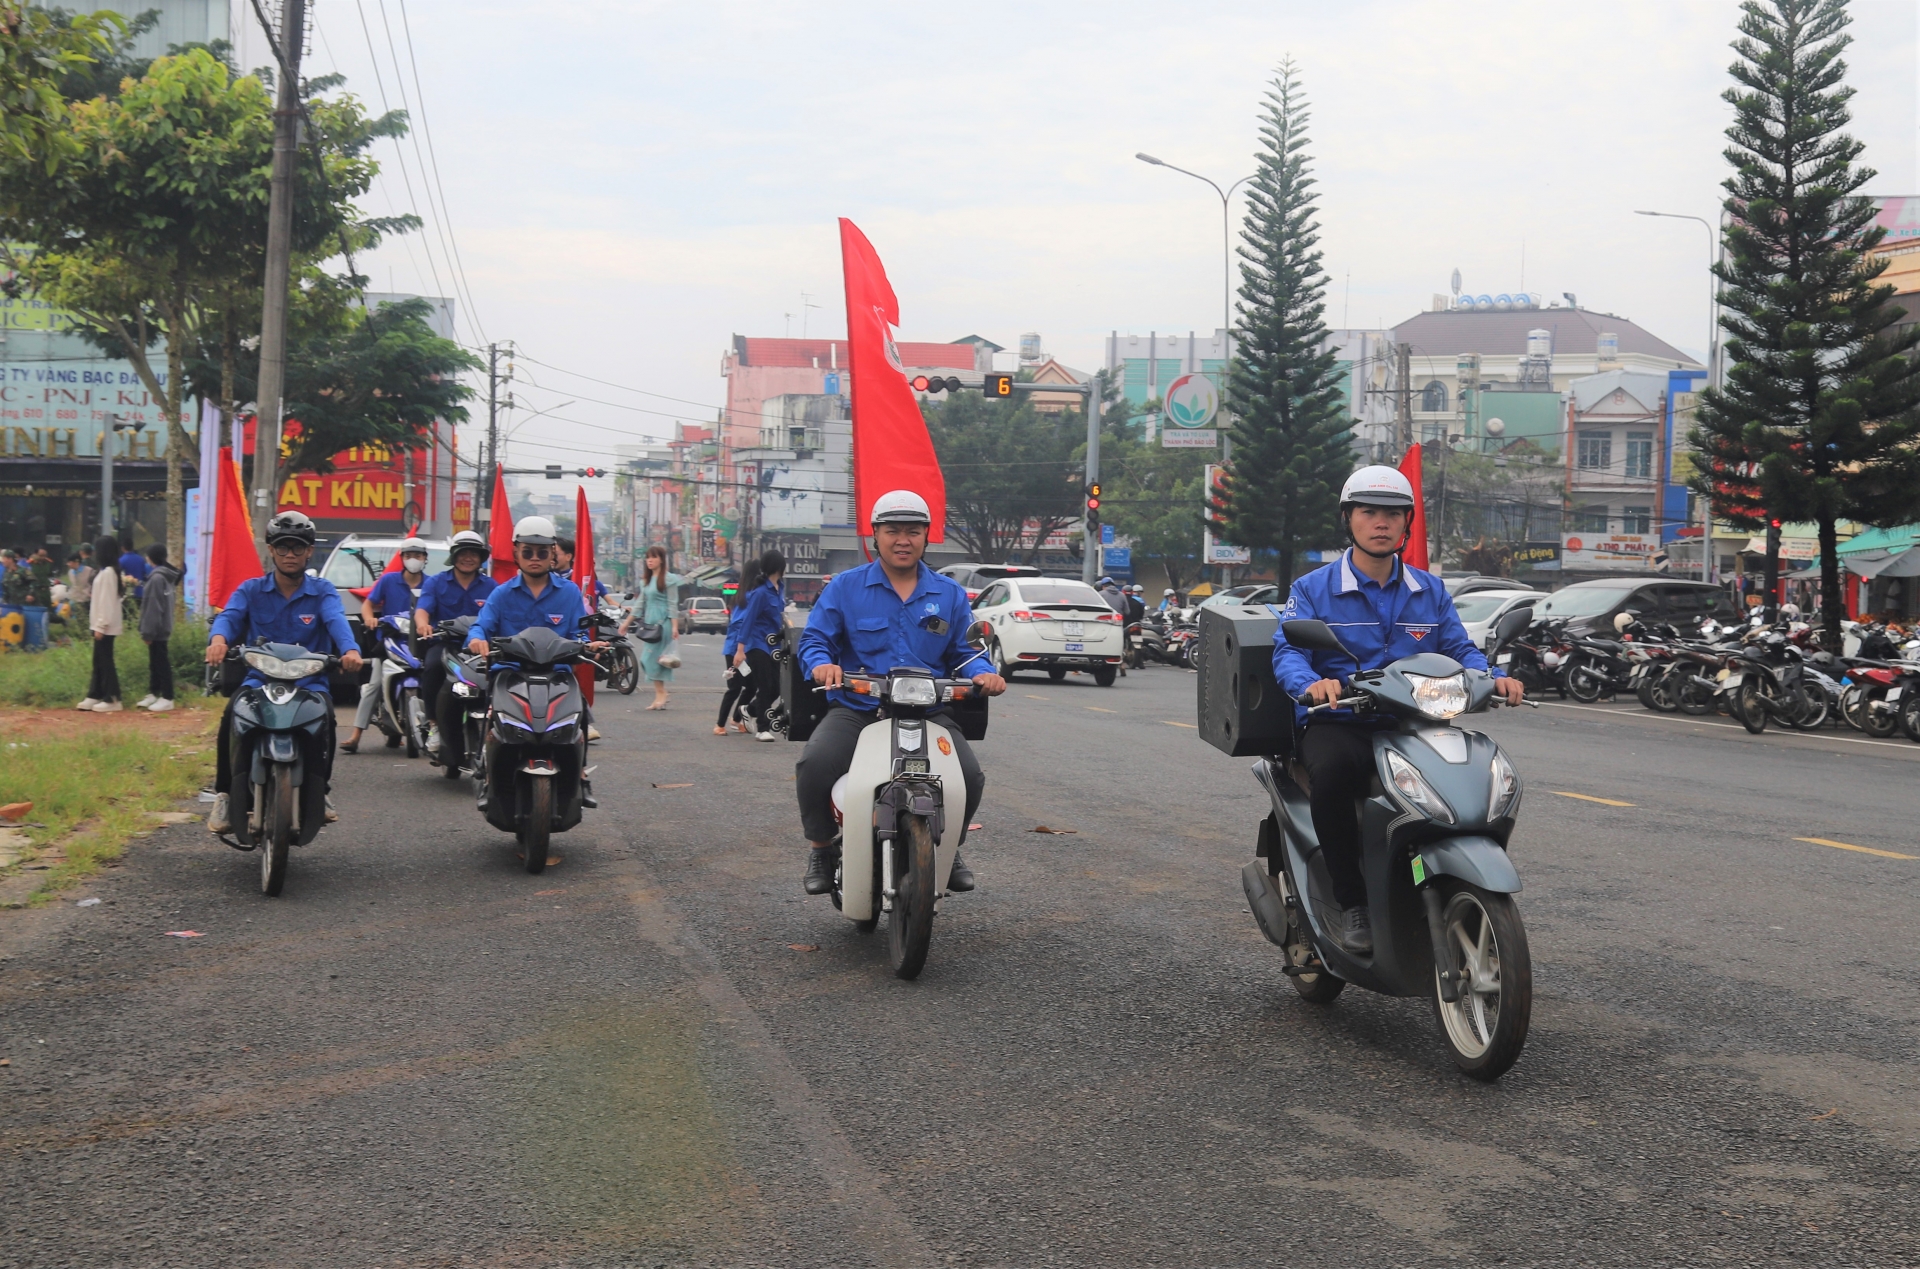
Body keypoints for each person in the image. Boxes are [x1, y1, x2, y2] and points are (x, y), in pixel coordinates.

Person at [1273, 465, 1523, 955]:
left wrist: (1491, 678)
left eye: (1393, 513)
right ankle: (1352, 904)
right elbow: (1289, 651)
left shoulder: (1428, 590)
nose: (1381, 522)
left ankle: (1452, 876)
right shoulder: (1312, 589)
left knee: (1478, 774)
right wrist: (1312, 684)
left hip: (1414, 722)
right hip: (1341, 721)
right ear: (1350, 519)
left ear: (1407, 522)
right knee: (1335, 774)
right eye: (1369, 512)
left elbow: (1458, 648)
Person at [794, 489, 1006, 896]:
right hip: (858, 709)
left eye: (913, 531)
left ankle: (949, 849)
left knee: (969, 777)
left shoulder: (949, 594)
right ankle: (821, 848)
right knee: (815, 765)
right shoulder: (844, 587)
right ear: (875, 536)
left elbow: (965, 652)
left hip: (926, 713)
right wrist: (823, 663)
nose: (903, 540)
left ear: (927, 537)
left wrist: (984, 673)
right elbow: (815, 640)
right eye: (893, 531)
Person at [203, 512, 364, 834]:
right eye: (283, 547)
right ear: (271, 550)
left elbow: (336, 621)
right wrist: (218, 640)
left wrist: (350, 650)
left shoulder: (323, 591)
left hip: (310, 682)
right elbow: (229, 617)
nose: (290, 554)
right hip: (259, 680)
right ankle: (224, 794)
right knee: (231, 715)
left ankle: (322, 792)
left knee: (326, 722)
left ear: (308, 552)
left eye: (298, 547)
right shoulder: (251, 590)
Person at [413, 531, 495, 771]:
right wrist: (422, 624)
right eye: (463, 553)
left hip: (479, 647)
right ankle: (435, 725)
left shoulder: (492, 586)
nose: (468, 558)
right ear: (454, 557)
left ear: (481, 559)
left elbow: (504, 614)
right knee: (432, 668)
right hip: (444, 644)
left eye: (474, 554)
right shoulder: (436, 582)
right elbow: (422, 610)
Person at [341, 537, 432, 753]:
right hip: (391, 641)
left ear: (424, 559)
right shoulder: (388, 580)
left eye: (418, 556)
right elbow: (368, 605)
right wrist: (370, 619)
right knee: (373, 684)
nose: (413, 560)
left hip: (419, 643)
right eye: (409, 555)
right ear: (402, 558)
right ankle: (355, 735)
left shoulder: (431, 584)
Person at [732, 549, 787, 741]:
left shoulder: (781, 587)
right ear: (778, 566)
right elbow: (747, 621)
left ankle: (749, 709)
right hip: (757, 644)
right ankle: (763, 729)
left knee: (778, 687)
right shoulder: (760, 593)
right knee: (765, 686)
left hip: (774, 646)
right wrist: (740, 649)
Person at [553, 536, 606, 738]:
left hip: (569, 636)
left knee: (570, 681)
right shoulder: (516, 587)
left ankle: (582, 723)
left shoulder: (575, 583)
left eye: (553, 553)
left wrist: (586, 643)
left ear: (569, 556)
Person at [632, 545, 685, 710]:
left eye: (653, 557)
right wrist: (627, 623)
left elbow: (672, 604)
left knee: (653, 659)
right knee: (649, 660)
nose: (650, 560)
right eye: (648, 557)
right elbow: (640, 604)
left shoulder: (669, 580)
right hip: (650, 624)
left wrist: (675, 627)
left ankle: (661, 694)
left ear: (661, 559)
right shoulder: (646, 581)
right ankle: (660, 694)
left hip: (664, 625)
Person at [76, 537, 125, 712]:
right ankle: (95, 693)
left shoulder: (108, 573)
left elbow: (106, 602)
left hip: (104, 626)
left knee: (105, 661)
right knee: (98, 660)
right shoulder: (106, 572)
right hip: (100, 624)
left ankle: (113, 698)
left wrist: (101, 626)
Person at [714, 558, 761, 735]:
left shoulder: (749, 594)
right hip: (735, 650)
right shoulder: (747, 597)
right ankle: (719, 724)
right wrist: (739, 650)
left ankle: (736, 719)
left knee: (751, 686)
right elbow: (738, 622)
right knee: (734, 688)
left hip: (745, 649)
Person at [135, 543, 181, 712]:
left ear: (150, 558)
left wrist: (148, 632)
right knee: (154, 662)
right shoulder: (166, 576)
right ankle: (154, 692)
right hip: (163, 626)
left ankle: (167, 696)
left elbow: (153, 608)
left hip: (157, 628)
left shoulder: (156, 578)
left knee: (161, 662)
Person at [117, 537, 151, 601]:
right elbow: (144, 575)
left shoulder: (121, 561)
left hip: (127, 594)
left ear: (122, 548)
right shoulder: (141, 559)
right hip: (140, 592)